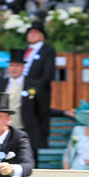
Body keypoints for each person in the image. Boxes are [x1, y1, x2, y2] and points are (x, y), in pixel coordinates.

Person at [20, 22, 55, 157]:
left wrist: (31, 86)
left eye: (35, 32)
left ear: (42, 36)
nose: (32, 35)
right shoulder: (24, 51)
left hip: (37, 95)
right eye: (30, 32)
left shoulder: (47, 51)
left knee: (34, 130)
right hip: (21, 91)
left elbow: (47, 75)